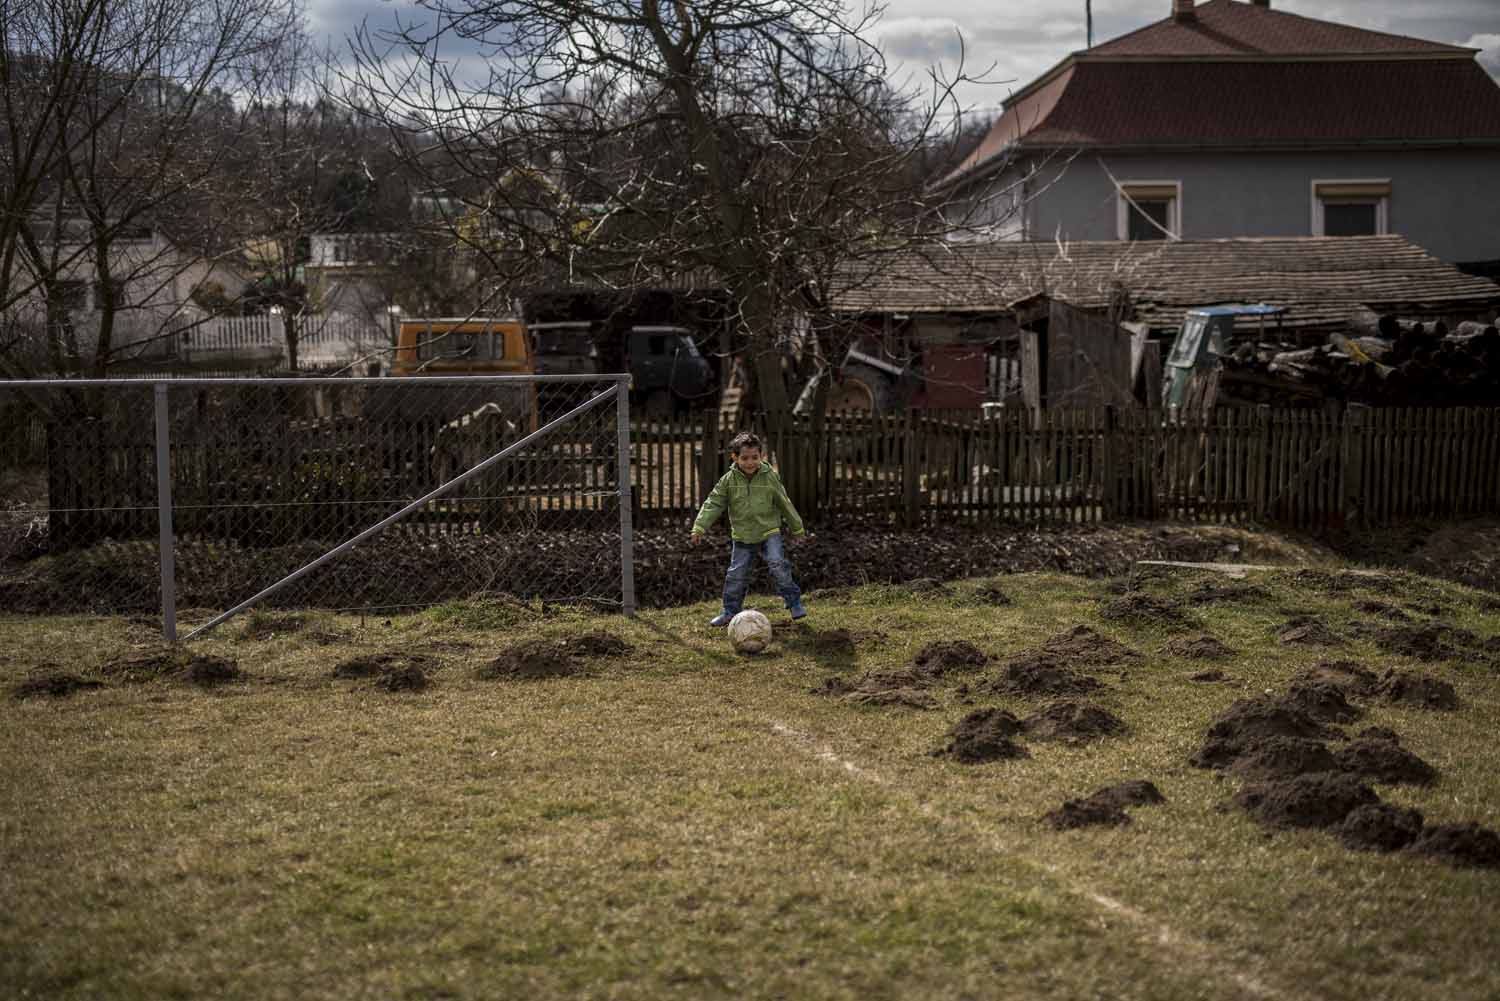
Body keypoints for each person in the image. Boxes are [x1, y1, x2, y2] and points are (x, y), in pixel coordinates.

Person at [690, 431, 808, 626]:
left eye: (755, 457)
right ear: (734, 458)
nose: (750, 462)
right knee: (736, 574)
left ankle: (794, 602)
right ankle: (730, 611)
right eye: (745, 458)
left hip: (769, 531)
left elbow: (784, 502)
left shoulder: (769, 477)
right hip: (743, 536)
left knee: (777, 564)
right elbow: (713, 503)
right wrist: (699, 527)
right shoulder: (728, 480)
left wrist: (797, 529)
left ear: (762, 455)